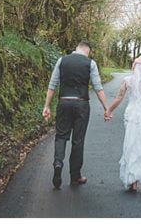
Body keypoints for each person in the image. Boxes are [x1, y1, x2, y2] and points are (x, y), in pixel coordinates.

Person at [42, 40, 111, 189]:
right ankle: (75, 176)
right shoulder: (90, 63)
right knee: (78, 140)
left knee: (61, 136)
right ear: (87, 51)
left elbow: (52, 85)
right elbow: (98, 88)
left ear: (76, 49)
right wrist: (106, 108)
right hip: (81, 104)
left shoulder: (62, 61)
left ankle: (58, 162)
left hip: (64, 102)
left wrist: (47, 106)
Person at [107, 57, 141, 192]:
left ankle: (133, 180)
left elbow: (119, 97)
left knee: (131, 144)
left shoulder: (127, 80)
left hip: (131, 114)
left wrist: (109, 110)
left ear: (133, 67)